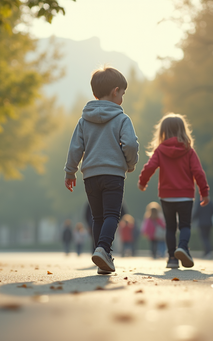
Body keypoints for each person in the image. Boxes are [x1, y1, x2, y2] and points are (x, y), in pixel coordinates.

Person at [64, 66, 139, 275]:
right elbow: (131, 144)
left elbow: (75, 148)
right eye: (123, 93)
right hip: (113, 173)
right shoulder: (122, 119)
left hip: (90, 176)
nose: (122, 98)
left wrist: (70, 172)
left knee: (97, 217)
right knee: (112, 215)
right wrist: (130, 164)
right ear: (115, 91)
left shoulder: (83, 120)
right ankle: (104, 249)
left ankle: (102, 261)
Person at [138, 113, 209, 269]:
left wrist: (143, 182)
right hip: (185, 196)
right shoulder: (189, 151)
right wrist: (204, 192)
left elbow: (149, 167)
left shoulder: (160, 151)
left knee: (170, 227)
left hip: (167, 196)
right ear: (183, 130)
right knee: (184, 226)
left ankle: (171, 259)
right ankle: (183, 247)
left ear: (163, 131)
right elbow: (198, 172)